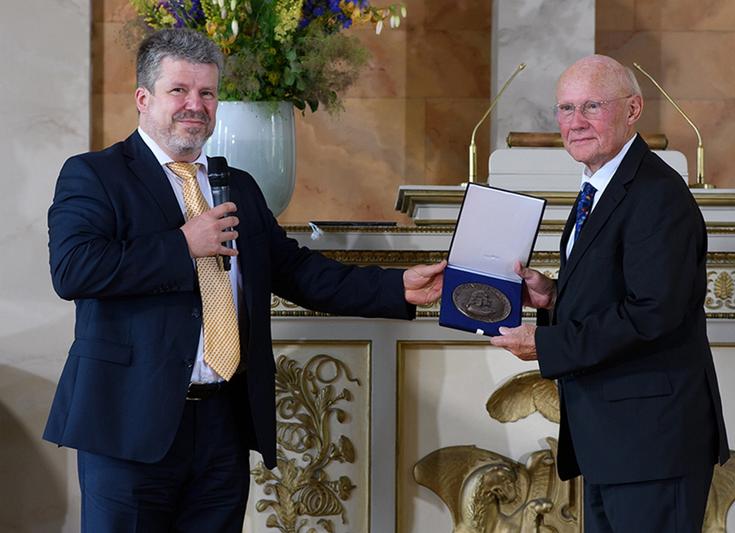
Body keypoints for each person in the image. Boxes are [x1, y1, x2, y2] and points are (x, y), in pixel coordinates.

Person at [44, 28, 444, 532]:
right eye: (179, 91)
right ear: (143, 99)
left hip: (222, 425)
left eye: (207, 93)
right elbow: (74, 269)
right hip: (129, 422)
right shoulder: (95, 174)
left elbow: (295, 271)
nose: (196, 105)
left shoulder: (237, 185)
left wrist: (397, 286)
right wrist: (183, 245)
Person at [490, 55, 729, 532]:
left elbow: (652, 314)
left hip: (653, 445)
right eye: (565, 108)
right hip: (617, 442)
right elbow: (621, 289)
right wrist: (553, 297)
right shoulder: (600, 188)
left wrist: (544, 345)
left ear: (633, 110)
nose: (574, 123)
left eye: (592, 106)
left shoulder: (657, 193)